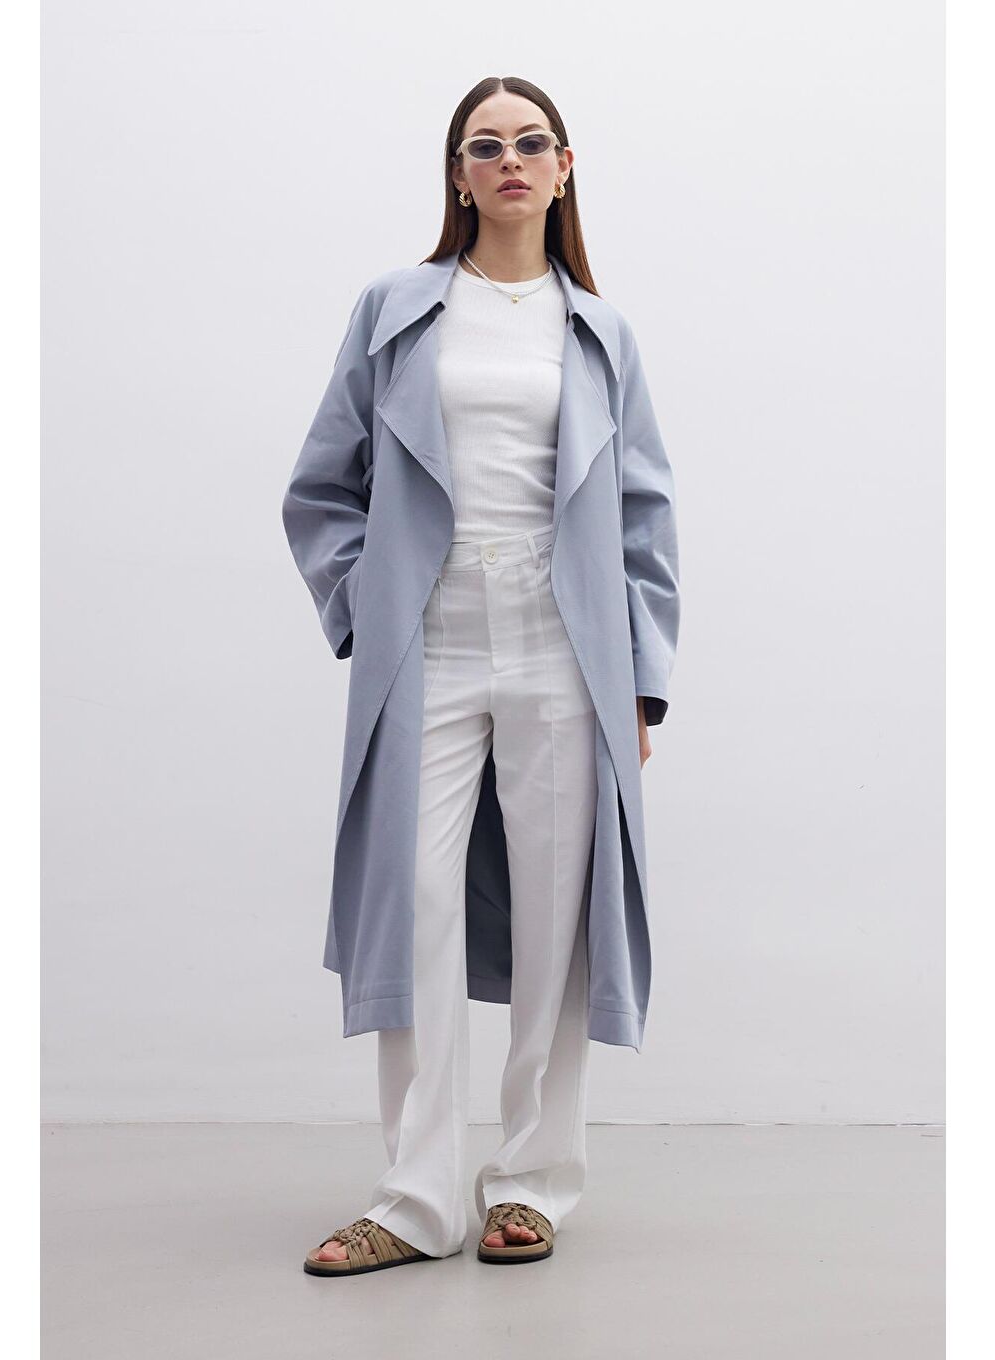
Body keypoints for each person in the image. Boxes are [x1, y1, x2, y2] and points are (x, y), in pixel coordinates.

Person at [286, 75, 680, 1278]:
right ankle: (414, 1199)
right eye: (484, 145)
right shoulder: (398, 309)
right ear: (458, 174)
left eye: (530, 142)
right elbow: (322, 486)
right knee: (412, 909)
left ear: (565, 168)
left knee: (559, 921)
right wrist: (365, 607)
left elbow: (644, 519)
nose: (510, 159)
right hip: (431, 647)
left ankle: (531, 1185)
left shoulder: (600, 333)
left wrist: (641, 683)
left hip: (567, 651)